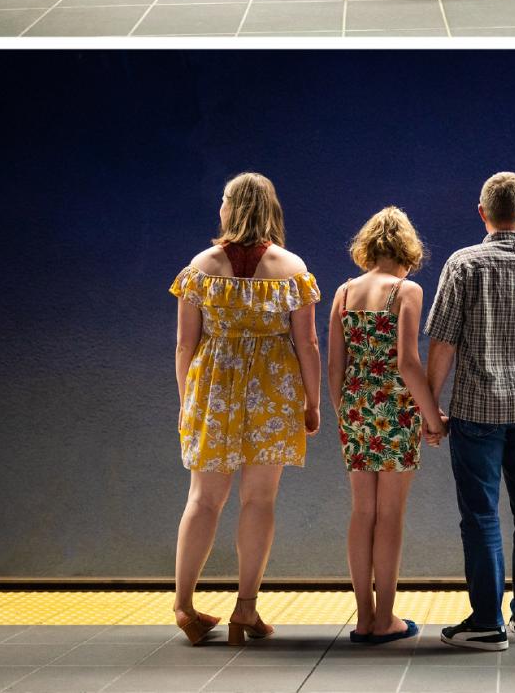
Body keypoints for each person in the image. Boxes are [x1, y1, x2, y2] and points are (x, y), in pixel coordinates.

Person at [169, 172, 321, 646]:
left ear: (230, 208)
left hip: (213, 388)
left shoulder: (201, 266)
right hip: (273, 391)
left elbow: (184, 345)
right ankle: (245, 610)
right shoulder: (292, 269)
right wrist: (312, 401)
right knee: (258, 500)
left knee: (203, 500)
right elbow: (308, 344)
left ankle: (184, 606)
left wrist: (186, 402)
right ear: (271, 208)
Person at [425, 172, 515, 650]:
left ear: (481, 212)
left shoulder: (463, 265)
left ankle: (487, 622)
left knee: (481, 514)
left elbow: (443, 341)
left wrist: (431, 407)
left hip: (477, 412)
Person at [328, 207, 446, 643]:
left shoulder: (343, 292)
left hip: (356, 409)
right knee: (391, 515)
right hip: (396, 410)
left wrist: (347, 415)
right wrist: (432, 418)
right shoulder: (406, 290)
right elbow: (408, 363)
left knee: (362, 512)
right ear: (408, 249)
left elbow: (335, 367)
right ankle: (386, 619)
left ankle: (362, 619)